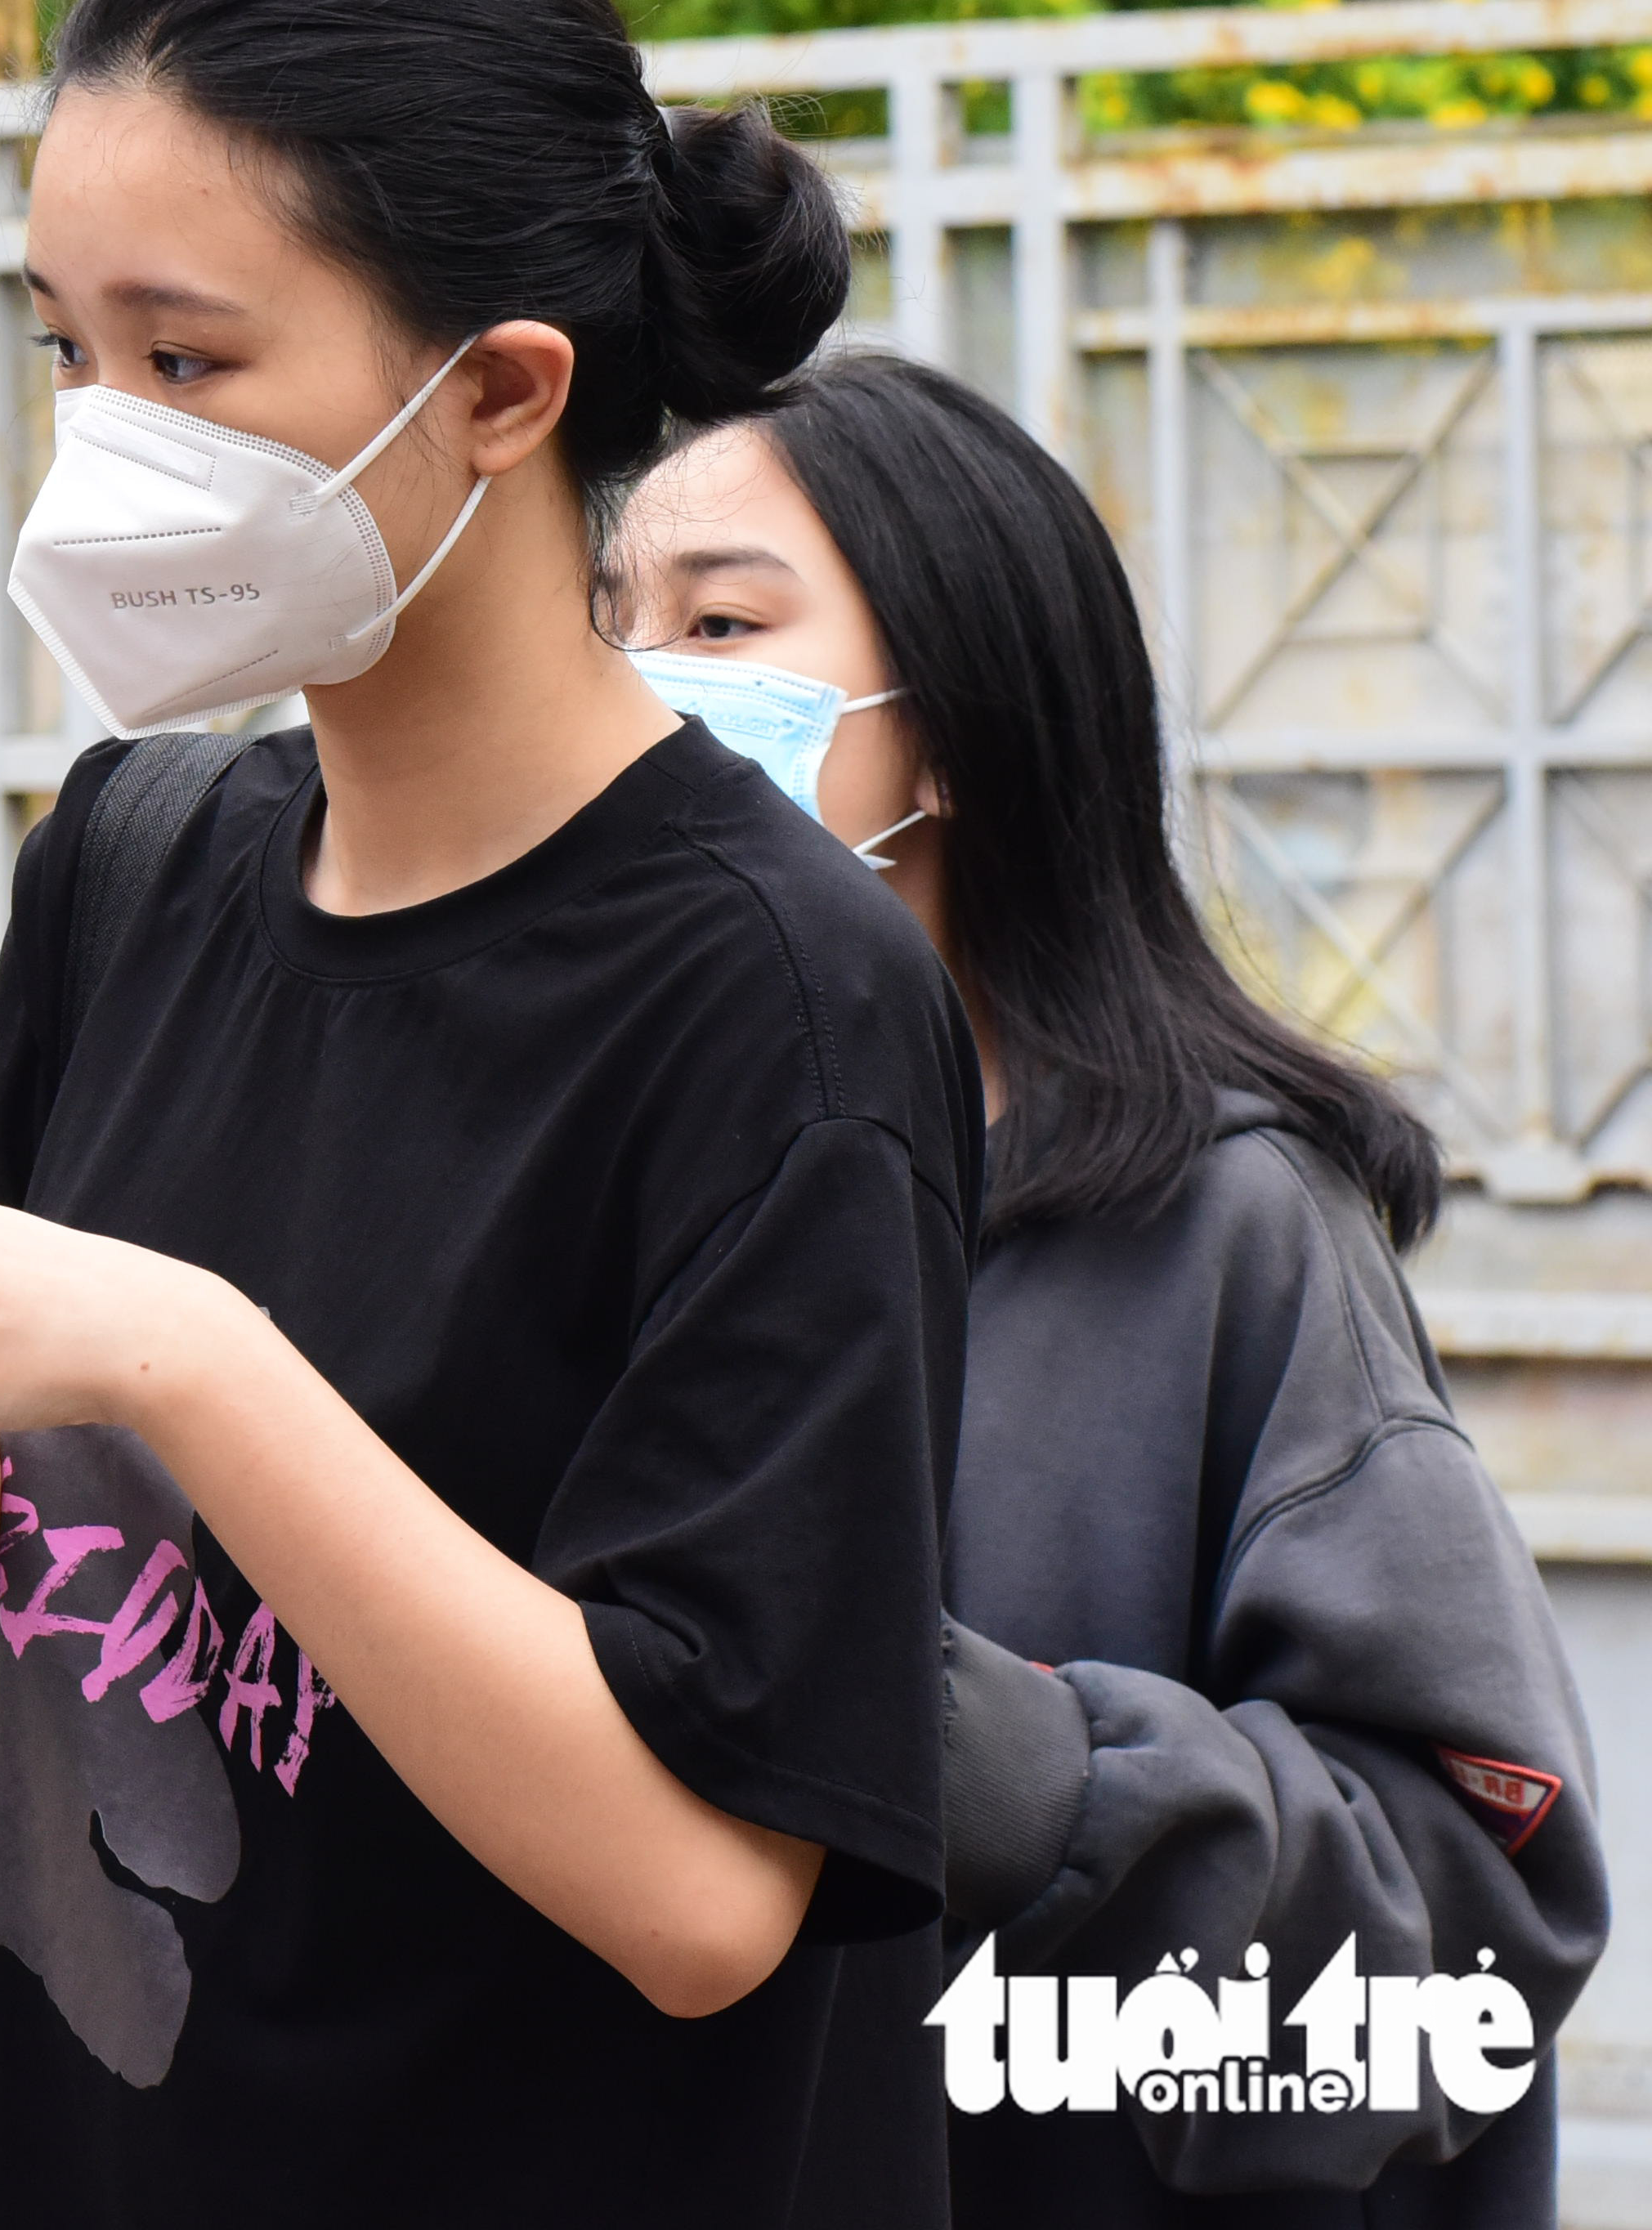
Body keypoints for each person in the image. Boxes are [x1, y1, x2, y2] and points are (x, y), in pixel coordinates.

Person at [0, 0, 982, 2224]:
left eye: (192, 361)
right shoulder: (135, 865)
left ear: (498, 393)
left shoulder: (780, 1005)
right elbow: (16, 1704)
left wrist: (191, 1362)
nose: (104, 444)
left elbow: (706, 1906)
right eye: (66, 348)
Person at [613, 350, 1607, 2228]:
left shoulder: (1226, 1232)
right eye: (608, 629)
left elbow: (1467, 1944)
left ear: (956, 726)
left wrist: (1015, 1775)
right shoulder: (595, 1192)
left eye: (717, 621)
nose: (636, 690)